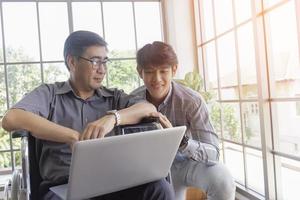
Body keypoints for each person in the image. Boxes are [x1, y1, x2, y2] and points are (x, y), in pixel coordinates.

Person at [2, 31, 175, 200]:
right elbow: (11, 118)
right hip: (63, 187)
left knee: (158, 188)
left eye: (105, 62)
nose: (102, 70)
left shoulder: (113, 97)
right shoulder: (50, 95)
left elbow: (148, 107)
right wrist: (71, 136)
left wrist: (113, 118)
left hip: (112, 183)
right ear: (72, 62)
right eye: (95, 61)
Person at [131, 41, 236, 200]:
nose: (157, 79)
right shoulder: (131, 100)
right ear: (140, 72)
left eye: (163, 71)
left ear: (174, 69)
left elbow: (214, 153)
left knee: (223, 179)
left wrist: (182, 141)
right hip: (148, 170)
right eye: (150, 72)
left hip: (185, 164)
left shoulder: (192, 101)